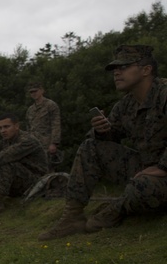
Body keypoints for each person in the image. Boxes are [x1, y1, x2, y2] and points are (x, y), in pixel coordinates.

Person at [40, 44, 167, 240]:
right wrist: (101, 131)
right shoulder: (125, 105)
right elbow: (110, 138)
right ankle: (72, 216)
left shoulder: (164, 93)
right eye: (115, 69)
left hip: (159, 172)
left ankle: (115, 209)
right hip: (145, 168)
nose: (117, 72)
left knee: (144, 187)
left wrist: (163, 167)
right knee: (90, 146)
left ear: (146, 70)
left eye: (124, 67)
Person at [0, 112, 47, 219]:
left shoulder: (27, 140)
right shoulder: (4, 142)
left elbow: (5, 156)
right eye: (0, 128)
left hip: (35, 181)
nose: (3, 131)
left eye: (6, 127)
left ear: (16, 126)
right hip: (17, 179)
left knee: (6, 165)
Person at [26, 82, 62, 172]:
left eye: (35, 91)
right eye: (31, 92)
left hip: (46, 143)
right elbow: (28, 127)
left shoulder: (50, 105)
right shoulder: (30, 110)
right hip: (34, 144)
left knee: (48, 169)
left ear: (42, 90)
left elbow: (56, 124)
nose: (34, 94)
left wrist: (54, 143)